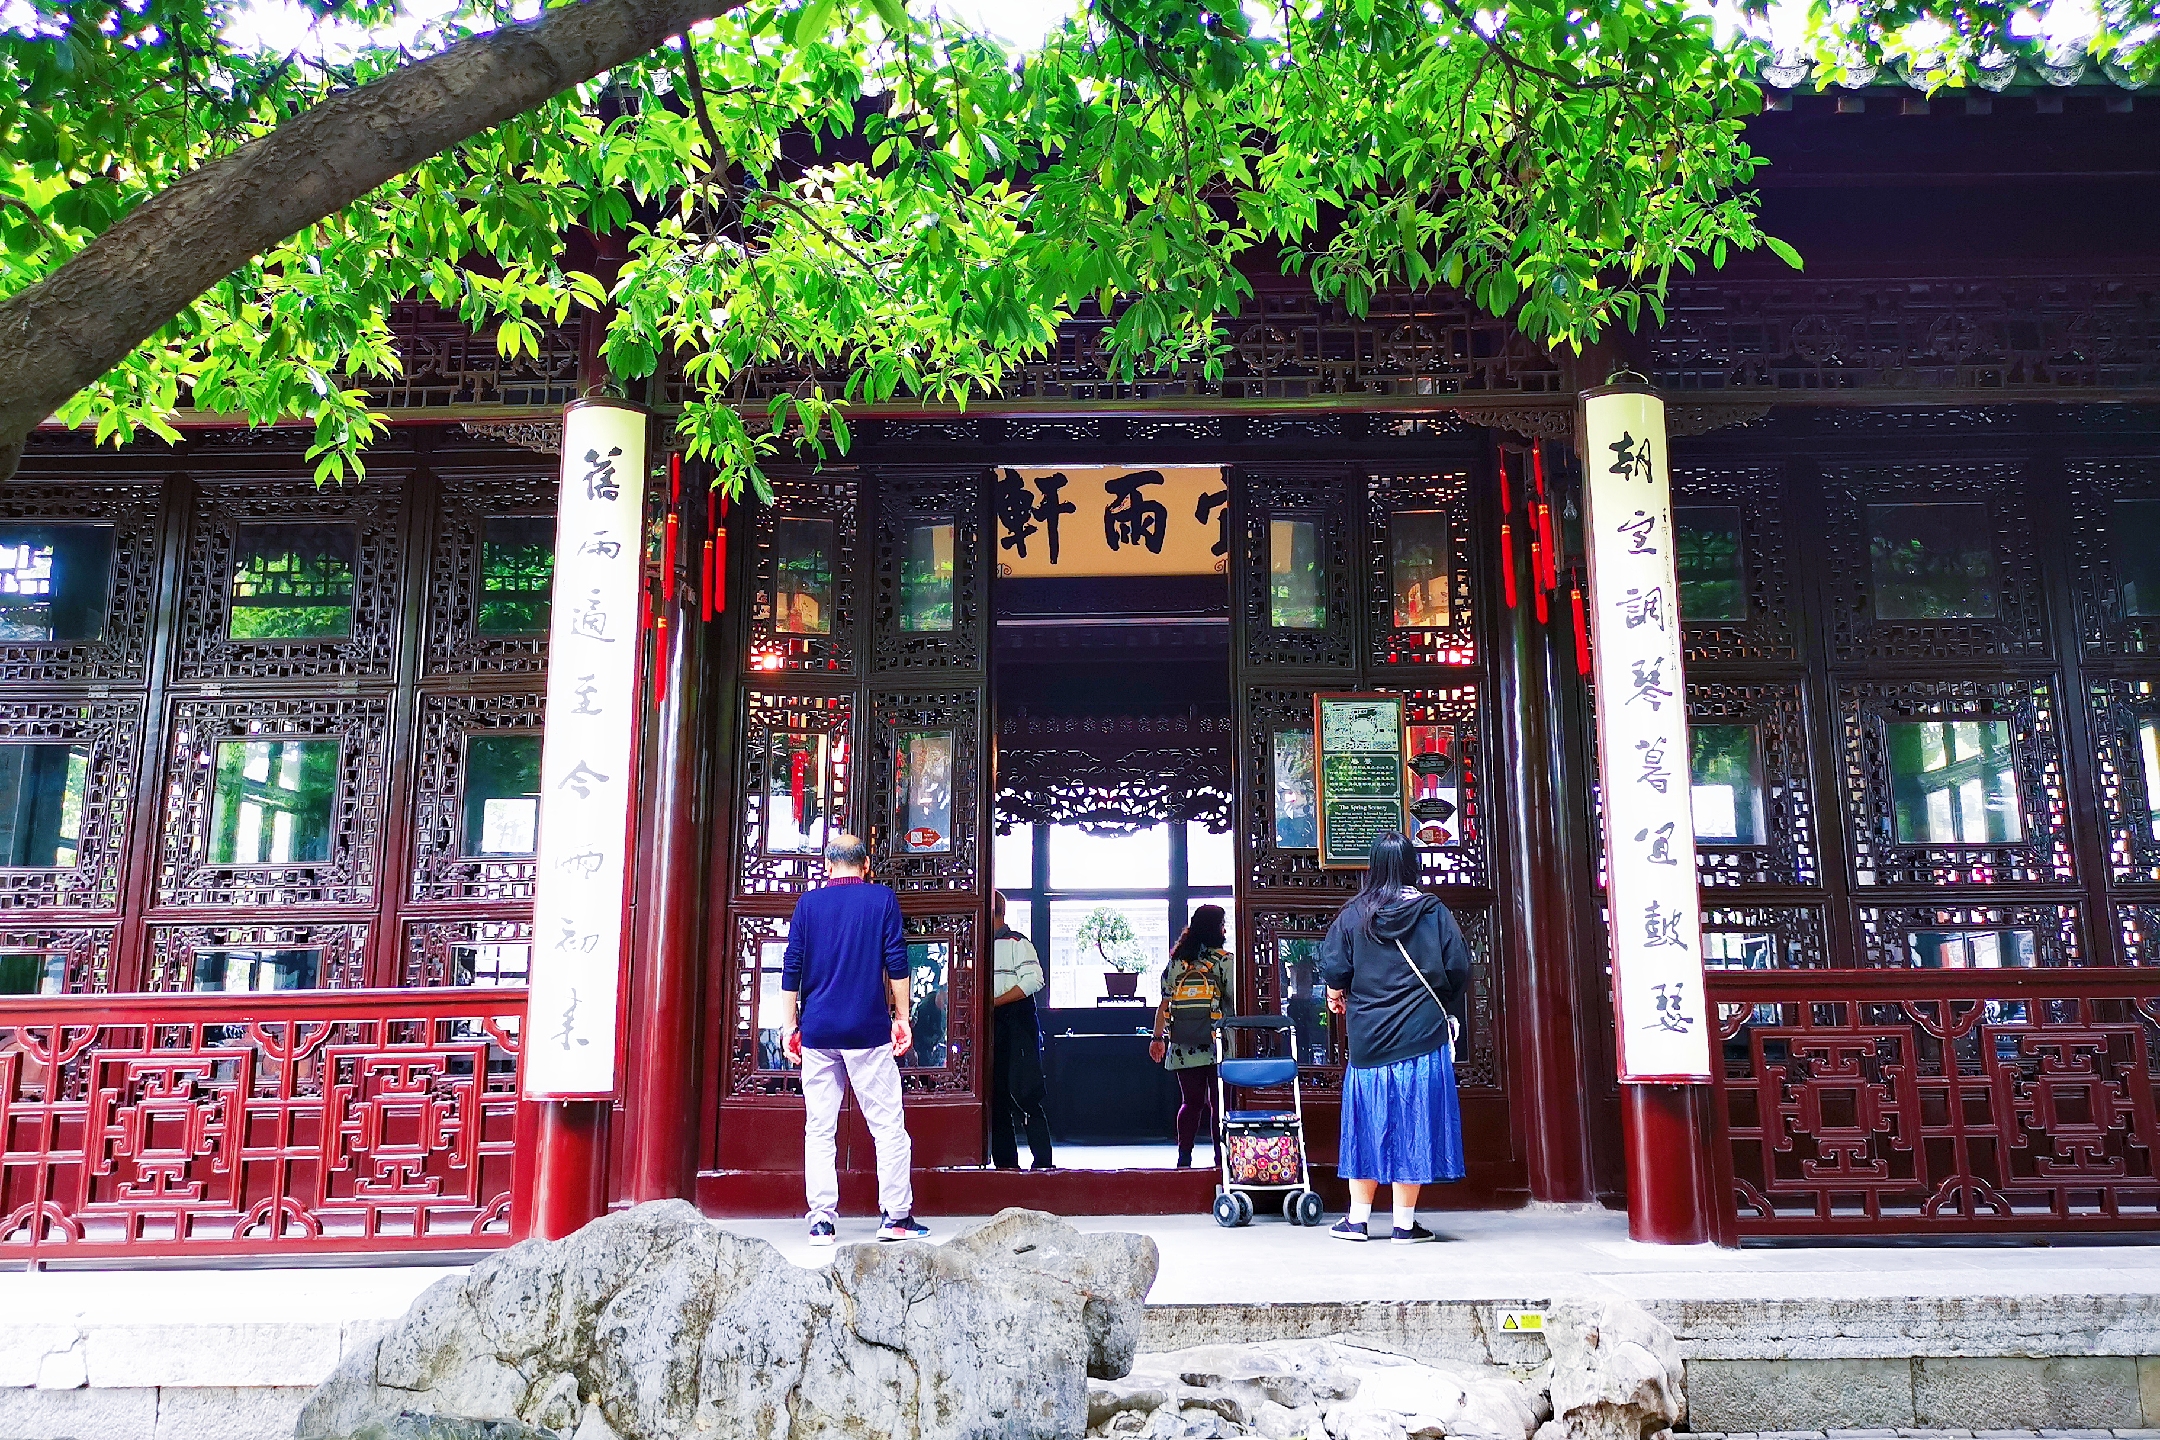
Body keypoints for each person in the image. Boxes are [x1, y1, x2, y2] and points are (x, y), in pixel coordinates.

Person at [776, 833, 930, 1247]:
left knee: (819, 1129)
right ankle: (896, 1217)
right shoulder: (881, 900)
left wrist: (789, 1025)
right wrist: (902, 1017)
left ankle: (821, 1223)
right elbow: (897, 961)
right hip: (867, 1030)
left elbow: (792, 967)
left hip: (819, 1030)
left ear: (828, 866)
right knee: (888, 1128)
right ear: (865, 866)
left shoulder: (808, 905)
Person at [1321, 830, 1469, 1243]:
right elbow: (1457, 967)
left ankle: (1357, 1220)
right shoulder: (1433, 911)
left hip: (1369, 1042)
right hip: (1421, 1037)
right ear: (1411, 865)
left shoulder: (1353, 914)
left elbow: (1334, 969)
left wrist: (1336, 995)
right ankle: (1404, 1224)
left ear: (1372, 865)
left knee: (1366, 1124)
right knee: (1413, 1123)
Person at [1149, 904, 1232, 1169]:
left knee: (1191, 1102)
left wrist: (1157, 1038)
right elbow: (1235, 1002)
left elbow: (1165, 1003)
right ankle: (1221, 1160)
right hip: (1219, 1041)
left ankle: (1184, 1158)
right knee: (1219, 1103)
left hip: (1184, 1043)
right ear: (1217, 928)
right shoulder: (1224, 961)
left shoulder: (1177, 962)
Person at [989, 891, 1055, 1170]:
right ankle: (1005, 1164)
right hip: (991, 1026)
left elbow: (1034, 980)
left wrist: (995, 1003)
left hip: (1017, 1026)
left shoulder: (1016, 943)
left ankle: (1043, 1162)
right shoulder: (976, 944)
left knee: (1026, 1093)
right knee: (996, 1097)